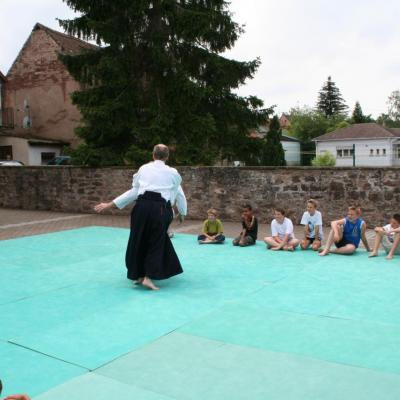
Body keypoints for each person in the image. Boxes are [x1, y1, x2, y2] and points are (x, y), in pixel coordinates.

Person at [94, 144, 187, 290]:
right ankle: (148, 277)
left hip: (141, 207)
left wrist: (111, 204)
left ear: (153, 155)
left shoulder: (143, 169)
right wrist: (182, 212)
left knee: (137, 240)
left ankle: (138, 275)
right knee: (156, 242)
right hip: (160, 209)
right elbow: (178, 193)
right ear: (167, 157)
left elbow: (134, 191)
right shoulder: (173, 173)